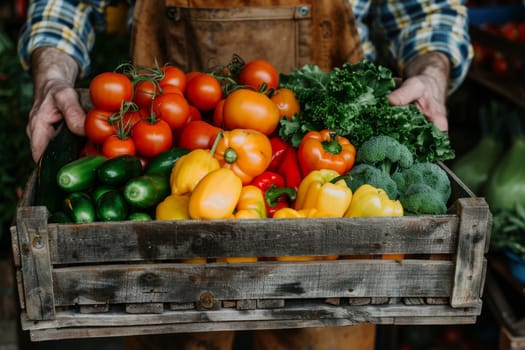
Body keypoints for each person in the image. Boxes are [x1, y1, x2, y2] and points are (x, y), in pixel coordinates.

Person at [17, 1, 473, 349]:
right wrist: (54, 75)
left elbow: (427, 9)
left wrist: (431, 73)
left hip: (325, 237)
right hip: (174, 157)